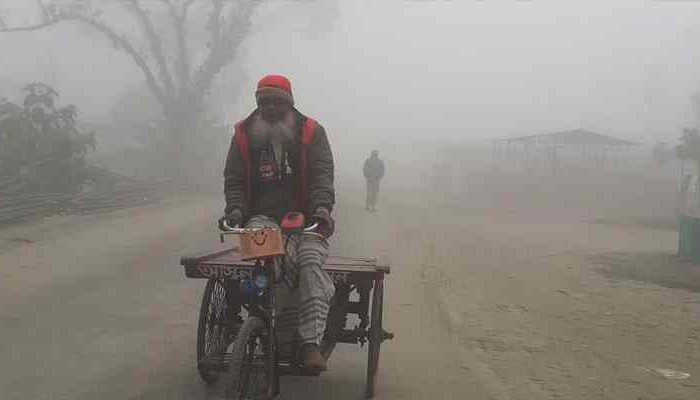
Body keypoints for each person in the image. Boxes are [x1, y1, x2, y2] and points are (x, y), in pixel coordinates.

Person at [219, 74, 335, 371]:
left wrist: (322, 208)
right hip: (260, 216)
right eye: (264, 102)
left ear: (289, 104)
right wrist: (235, 210)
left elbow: (322, 176)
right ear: (257, 104)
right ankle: (260, 325)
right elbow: (234, 180)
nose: (270, 108)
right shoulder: (244, 134)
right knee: (266, 263)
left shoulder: (312, 132)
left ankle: (310, 344)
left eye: (277, 102)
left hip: (306, 220)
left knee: (310, 263)